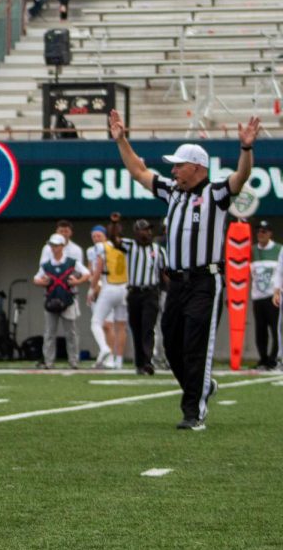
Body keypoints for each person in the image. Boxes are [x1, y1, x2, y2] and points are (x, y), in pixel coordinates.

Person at [111, 110, 259, 429]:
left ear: (197, 167)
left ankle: (193, 412)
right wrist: (121, 140)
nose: (174, 169)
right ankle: (201, 388)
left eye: (179, 164)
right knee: (172, 340)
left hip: (206, 279)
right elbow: (139, 171)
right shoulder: (172, 192)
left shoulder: (215, 193)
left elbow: (241, 178)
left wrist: (246, 149)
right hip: (176, 283)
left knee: (195, 344)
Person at [34, 233, 90, 369]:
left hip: (68, 301)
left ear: (62, 246)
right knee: (49, 333)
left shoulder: (72, 262)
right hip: (51, 300)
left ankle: (74, 361)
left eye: (56, 246)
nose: (54, 248)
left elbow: (87, 273)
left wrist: (77, 281)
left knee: (71, 333)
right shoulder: (46, 265)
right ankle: (48, 361)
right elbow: (36, 278)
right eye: (52, 246)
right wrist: (42, 282)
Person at [119, 219, 167, 375]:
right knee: (136, 328)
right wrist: (114, 223)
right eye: (144, 229)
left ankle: (147, 362)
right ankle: (139, 363)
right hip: (134, 293)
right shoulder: (130, 246)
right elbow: (114, 239)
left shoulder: (158, 250)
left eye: (149, 229)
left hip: (151, 293)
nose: (148, 232)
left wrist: (172, 291)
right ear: (137, 232)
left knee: (148, 327)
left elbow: (165, 273)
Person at [88, 217, 129, 370]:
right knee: (121, 326)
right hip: (124, 288)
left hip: (109, 287)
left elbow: (98, 270)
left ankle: (104, 348)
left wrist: (92, 289)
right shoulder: (127, 245)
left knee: (96, 322)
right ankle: (118, 361)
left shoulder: (102, 248)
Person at [250, 220, 280, 370]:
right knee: (260, 330)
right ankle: (263, 359)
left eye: (264, 231)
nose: (260, 234)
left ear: (270, 233)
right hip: (257, 297)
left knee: (276, 329)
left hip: (273, 297)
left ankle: (274, 359)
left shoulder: (279, 250)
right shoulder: (252, 250)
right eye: (258, 231)